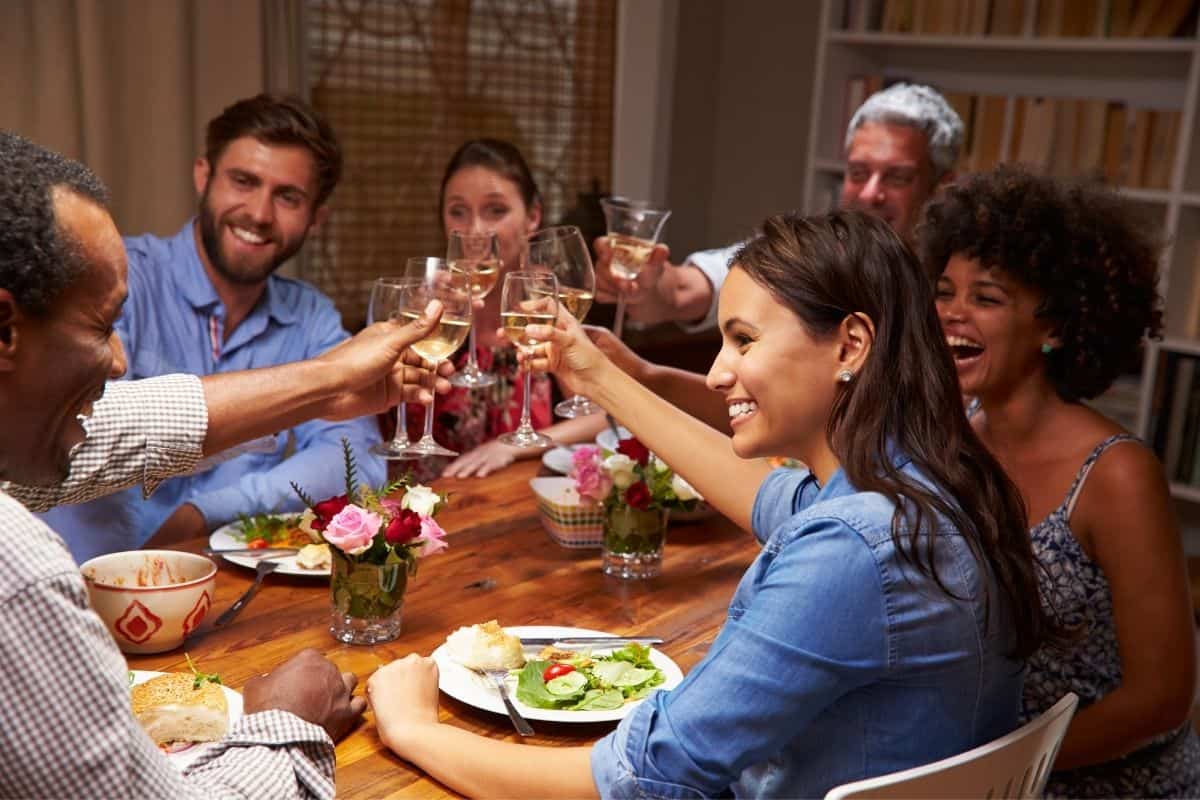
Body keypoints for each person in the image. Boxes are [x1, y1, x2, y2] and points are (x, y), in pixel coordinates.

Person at [367, 210, 1061, 798]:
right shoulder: (927, 486)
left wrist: (414, 730)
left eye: (744, 340)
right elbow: (773, 500)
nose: (716, 371)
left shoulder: (852, 550)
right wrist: (597, 378)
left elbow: (648, 774)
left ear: (851, 344)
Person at [0, 131, 451, 797]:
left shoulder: (309, 312)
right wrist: (282, 724)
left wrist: (326, 383)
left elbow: (123, 430)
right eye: (102, 329)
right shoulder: (21, 573)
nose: (120, 362)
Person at [922, 166, 1200, 798]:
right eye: (944, 291)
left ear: (1056, 326)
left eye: (986, 298)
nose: (952, 314)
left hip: (1107, 784)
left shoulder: (1117, 474)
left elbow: (1163, 699)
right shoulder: (954, 433)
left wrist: (995, 769)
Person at [40, 93, 385, 563]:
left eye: (288, 197)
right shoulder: (122, 279)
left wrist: (204, 514)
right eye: (243, 181)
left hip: (238, 593)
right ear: (204, 176)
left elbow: (355, 461)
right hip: (94, 586)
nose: (260, 214)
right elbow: (79, 434)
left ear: (316, 218)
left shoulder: (310, 317)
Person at [596, 82, 963, 332]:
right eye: (858, 172)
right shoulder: (813, 255)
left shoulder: (965, 286)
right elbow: (683, 292)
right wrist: (651, 288)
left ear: (940, 187)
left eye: (897, 177)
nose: (870, 194)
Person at [418, 138, 604, 479]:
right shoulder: (424, 307)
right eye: (458, 211)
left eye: (496, 210)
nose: (475, 231)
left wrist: (512, 446)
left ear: (532, 217)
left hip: (514, 504)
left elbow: (601, 414)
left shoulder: (547, 308)